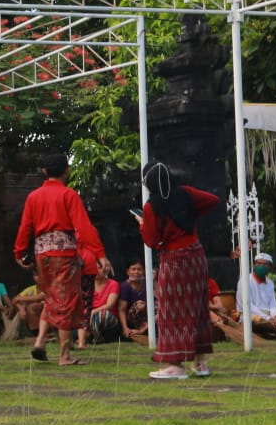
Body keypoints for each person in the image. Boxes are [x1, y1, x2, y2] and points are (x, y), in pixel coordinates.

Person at [13, 152, 111, 366]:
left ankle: (40, 342)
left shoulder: (33, 197)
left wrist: (19, 252)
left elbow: (25, 227)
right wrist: (100, 254)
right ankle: (65, 355)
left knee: (52, 298)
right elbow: (84, 228)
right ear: (67, 170)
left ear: (44, 172)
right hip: (63, 254)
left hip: (42, 254)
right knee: (65, 300)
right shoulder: (69, 195)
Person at [133, 162, 220, 378]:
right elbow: (213, 200)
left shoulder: (151, 206)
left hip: (174, 259)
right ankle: (200, 363)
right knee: (198, 308)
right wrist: (191, 214)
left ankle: (175, 364)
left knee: (171, 310)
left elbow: (152, 240)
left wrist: (142, 224)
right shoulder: (186, 193)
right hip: (196, 256)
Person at [86, 262, 121, 344]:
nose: (96, 271)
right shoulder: (87, 284)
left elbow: (110, 304)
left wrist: (94, 311)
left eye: (99, 268)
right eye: (93, 268)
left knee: (101, 315)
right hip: (89, 315)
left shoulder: (113, 284)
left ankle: (94, 337)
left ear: (106, 270)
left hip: (108, 317)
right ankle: (89, 336)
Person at [117, 261, 149, 342]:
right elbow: (122, 309)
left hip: (148, 319)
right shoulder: (125, 286)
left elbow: (160, 300)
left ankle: (144, 331)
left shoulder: (148, 283)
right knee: (140, 305)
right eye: (133, 269)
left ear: (144, 271)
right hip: (132, 319)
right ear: (128, 272)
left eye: (139, 269)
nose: (136, 272)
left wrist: (154, 281)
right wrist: (125, 328)